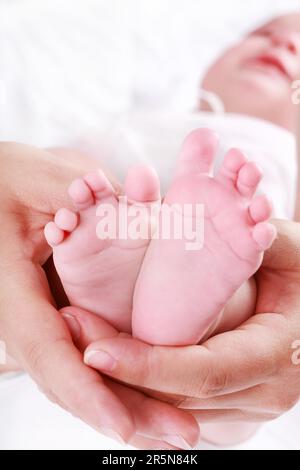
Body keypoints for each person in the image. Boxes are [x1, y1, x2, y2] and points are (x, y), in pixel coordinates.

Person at [0, 12, 299, 449]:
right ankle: (132, 288)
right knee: (76, 178)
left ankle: (172, 311)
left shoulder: (284, 157)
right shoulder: (139, 121)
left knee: (253, 286)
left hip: (225, 256)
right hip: (116, 221)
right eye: (264, 33)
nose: (284, 45)